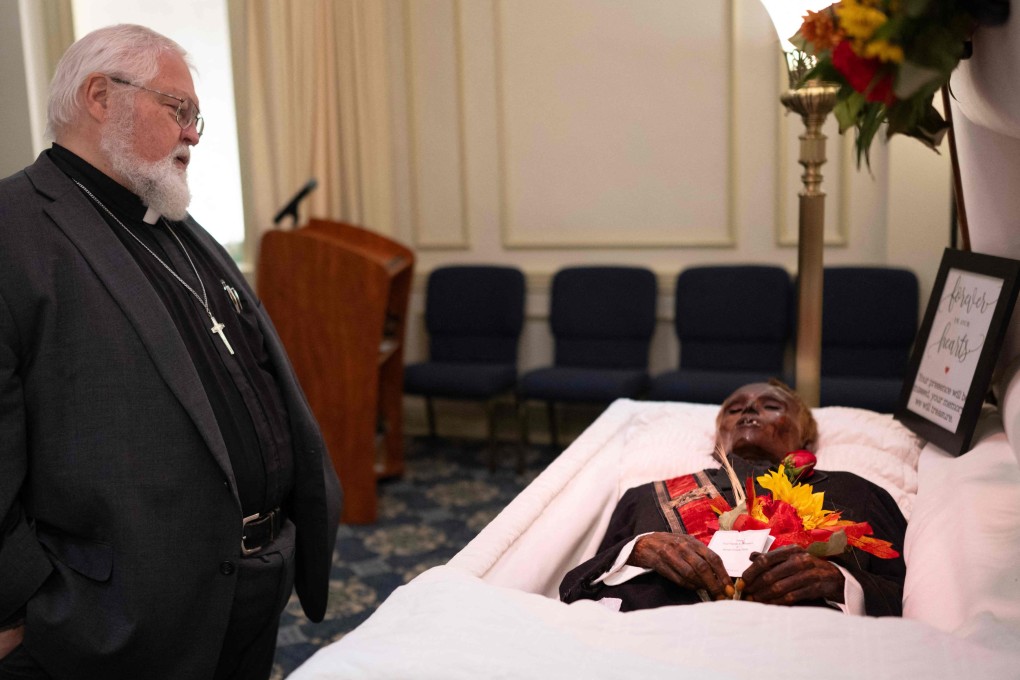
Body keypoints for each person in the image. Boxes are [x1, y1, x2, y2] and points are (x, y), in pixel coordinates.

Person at [0, 24, 342, 679]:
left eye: (196, 119)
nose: (192, 133)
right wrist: (14, 606)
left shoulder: (173, 222)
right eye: (177, 110)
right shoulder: (14, 230)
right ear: (101, 96)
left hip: (249, 584)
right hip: (116, 616)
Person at [559, 381, 906, 616]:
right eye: (734, 410)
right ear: (717, 437)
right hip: (654, 640)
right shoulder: (647, 495)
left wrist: (838, 582)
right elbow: (574, 586)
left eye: (771, 406)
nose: (748, 411)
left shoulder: (858, 492)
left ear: (807, 437)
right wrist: (638, 550)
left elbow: (905, 599)